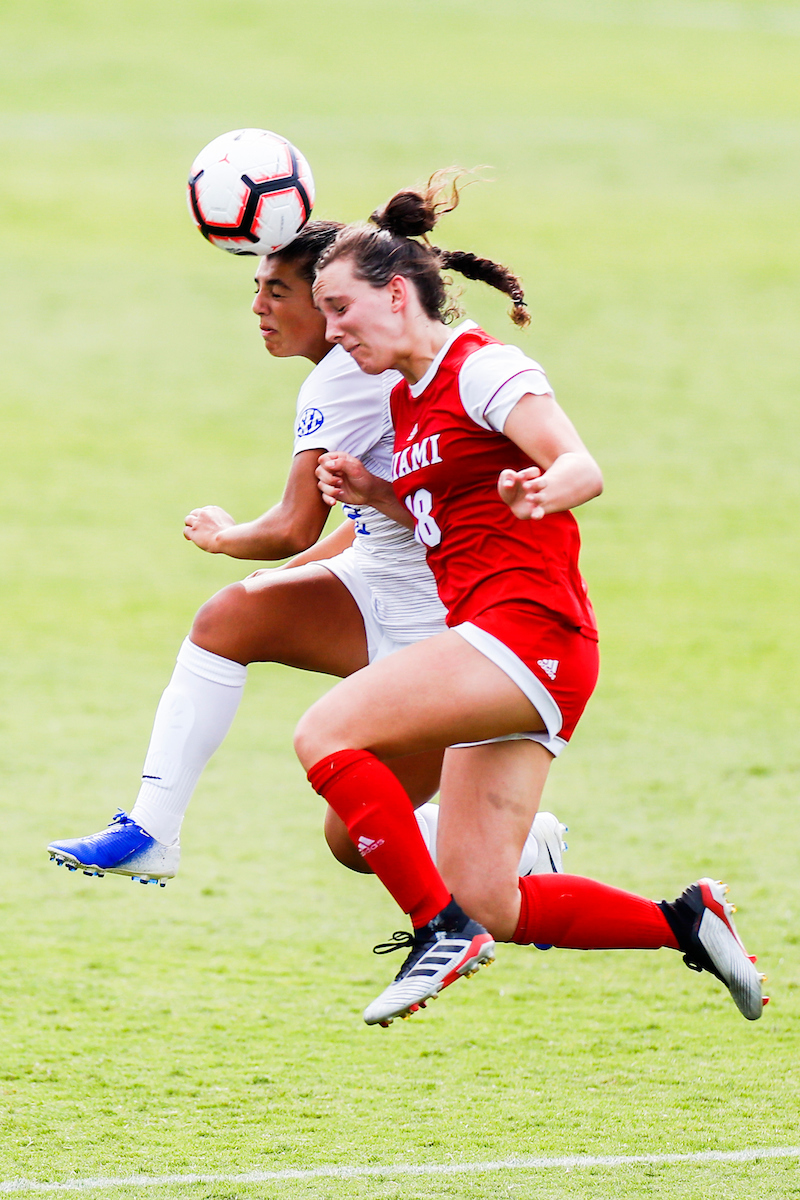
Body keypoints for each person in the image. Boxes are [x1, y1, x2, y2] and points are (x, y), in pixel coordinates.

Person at [295, 172, 766, 1027]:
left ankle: (437, 930)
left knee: (325, 733)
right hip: (513, 649)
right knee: (494, 898)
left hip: (526, 632)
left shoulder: (482, 368)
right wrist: (377, 494)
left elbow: (580, 463)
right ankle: (687, 923)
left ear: (396, 295)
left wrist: (547, 490)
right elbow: (451, 515)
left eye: (340, 308)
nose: (331, 331)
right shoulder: (407, 397)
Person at [46, 221, 566, 887]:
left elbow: (293, 525)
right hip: (376, 586)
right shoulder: (372, 369)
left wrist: (223, 537)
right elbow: (378, 513)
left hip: (438, 628)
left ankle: (520, 853)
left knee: (353, 841)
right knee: (229, 619)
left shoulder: (349, 377)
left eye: (278, 291)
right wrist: (288, 579)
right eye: (257, 288)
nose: (258, 307)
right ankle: (151, 830)